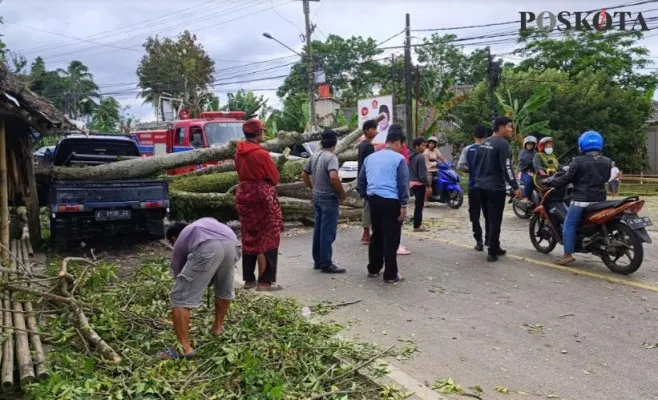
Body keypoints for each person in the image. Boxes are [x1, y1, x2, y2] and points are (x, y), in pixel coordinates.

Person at [161, 218, 241, 360]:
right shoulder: (205, 224)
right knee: (223, 289)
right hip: (232, 244)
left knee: (179, 297)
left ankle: (184, 348)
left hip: (208, 247)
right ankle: (217, 329)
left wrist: (192, 288)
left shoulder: (181, 240)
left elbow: (179, 271)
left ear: (174, 238)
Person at [544, 131, 612, 266]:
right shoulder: (607, 161)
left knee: (568, 225)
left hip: (581, 200)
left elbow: (565, 179)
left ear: (582, 144)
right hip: (600, 199)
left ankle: (567, 254)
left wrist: (550, 182)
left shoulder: (578, 161)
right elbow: (606, 178)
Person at [234, 119, 283, 291]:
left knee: (249, 236)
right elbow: (275, 178)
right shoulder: (261, 154)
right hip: (262, 195)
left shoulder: (239, 152)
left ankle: (249, 279)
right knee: (268, 236)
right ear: (258, 133)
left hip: (244, 194)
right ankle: (265, 282)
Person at [358, 124, 409, 283]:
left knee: (377, 235)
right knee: (391, 237)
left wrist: (367, 196)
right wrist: (403, 205)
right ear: (397, 142)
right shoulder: (399, 159)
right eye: (401, 145)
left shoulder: (370, 158)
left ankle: (373, 269)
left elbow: (361, 181)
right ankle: (390, 274)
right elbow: (402, 184)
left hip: (374, 200)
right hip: (391, 201)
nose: (401, 149)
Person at [473, 116, 523, 262]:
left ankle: (492, 243)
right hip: (495, 187)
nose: (511, 130)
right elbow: (507, 167)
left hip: (480, 186)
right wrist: (515, 187)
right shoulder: (503, 144)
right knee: (495, 220)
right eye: (509, 127)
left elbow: (475, 164)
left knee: (488, 217)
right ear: (501, 127)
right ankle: (492, 252)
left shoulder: (484, 142)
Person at [302, 129, 348, 274]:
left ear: (321, 142)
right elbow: (334, 177)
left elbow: (304, 174)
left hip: (317, 196)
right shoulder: (331, 157)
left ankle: (318, 261)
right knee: (328, 231)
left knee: (319, 229)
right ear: (334, 144)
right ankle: (326, 263)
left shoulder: (314, 156)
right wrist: (342, 193)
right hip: (329, 197)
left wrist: (313, 187)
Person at [458, 124, 490, 251]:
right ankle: (488, 238)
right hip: (488, 186)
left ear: (473, 136)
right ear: (486, 136)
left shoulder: (468, 149)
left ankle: (479, 242)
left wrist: (471, 170)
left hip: (474, 186)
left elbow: (461, 166)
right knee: (488, 214)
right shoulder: (489, 148)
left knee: (475, 215)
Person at [358, 119, 378, 244]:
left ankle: (366, 232)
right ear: (367, 130)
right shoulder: (368, 146)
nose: (376, 131)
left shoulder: (362, 145)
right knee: (368, 207)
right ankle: (366, 234)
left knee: (367, 206)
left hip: (363, 179)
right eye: (373, 129)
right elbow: (370, 166)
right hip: (368, 181)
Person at [408, 137, 431, 232]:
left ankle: (416, 224)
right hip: (419, 183)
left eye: (425, 146)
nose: (424, 148)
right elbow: (422, 174)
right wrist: (428, 185)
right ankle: (417, 226)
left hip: (411, 183)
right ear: (417, 146)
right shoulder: (420, 157)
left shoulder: (410, 156)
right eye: (422, 145)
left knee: (417, 205)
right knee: (419, 206)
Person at [518, 135, 537, 202]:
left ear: (534, 145)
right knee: (529, 181)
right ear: (525, 144)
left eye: (531, 144)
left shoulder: (535, 152)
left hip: (534, 172)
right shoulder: (522, 152)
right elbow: (527, 161)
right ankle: (526, 197)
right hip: (524, 172)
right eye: (528, 144)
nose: (529, 145)